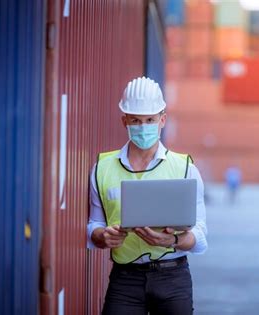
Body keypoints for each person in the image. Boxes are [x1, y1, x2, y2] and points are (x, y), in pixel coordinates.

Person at [87, 76, 208, 314]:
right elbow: (94, 225)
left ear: (162, 120)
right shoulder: (102, 168)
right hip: (125, 280)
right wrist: (103, 236)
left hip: (173, 277)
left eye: (150, 120)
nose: (143, 127)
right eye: (136, 120)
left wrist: (172, 241)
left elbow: (201, 236)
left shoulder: (184, 168)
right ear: (125, 121)